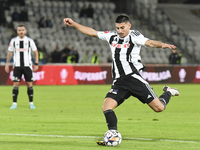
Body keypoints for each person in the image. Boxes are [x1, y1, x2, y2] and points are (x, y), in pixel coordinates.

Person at [63, 15, 180, 146]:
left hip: (133, 78)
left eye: (122, 28)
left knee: (159, 108)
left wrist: (162, 44)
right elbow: (92, 32)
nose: (119, 31)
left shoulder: (135, 36)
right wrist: (74, 24)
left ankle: (169, 91)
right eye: (117, 28)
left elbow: (150, 42)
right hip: (119, 82)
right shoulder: (112, 36)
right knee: (106, 107)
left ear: (129, 26)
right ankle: (112, 135)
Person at [5, 24, 39, 109]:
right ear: (17, 31)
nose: (21, 32)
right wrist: (7, 64)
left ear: (25, 31)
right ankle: (14, 103)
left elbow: (36, 52)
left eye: (23, 30)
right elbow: (9, 53)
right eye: (19, 30)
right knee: (16, 83)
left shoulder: (30, 41)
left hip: (27, 66)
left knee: (29, 83)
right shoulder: (13, 41)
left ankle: (31, 103)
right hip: (17, 66)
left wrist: (36, 63)